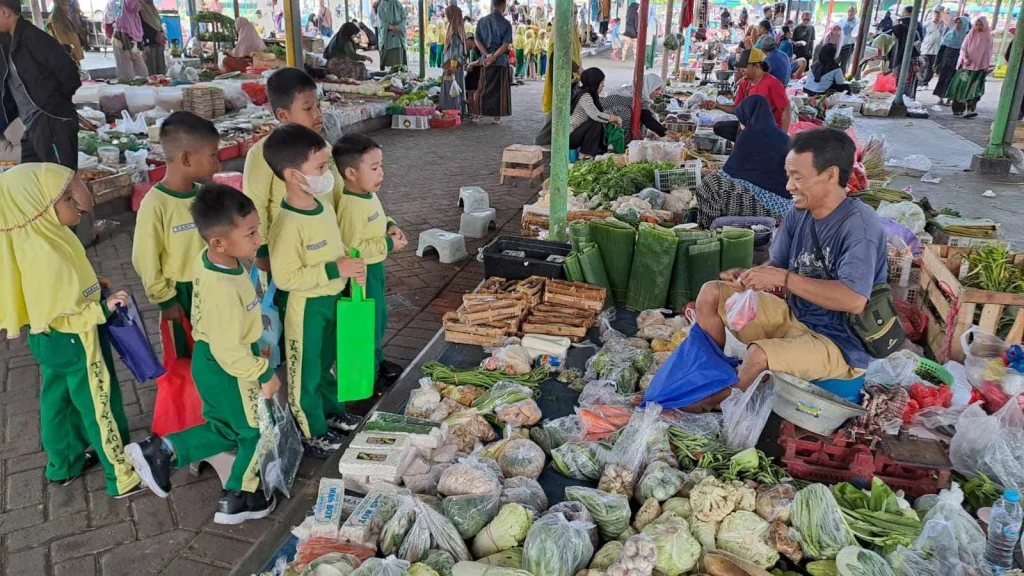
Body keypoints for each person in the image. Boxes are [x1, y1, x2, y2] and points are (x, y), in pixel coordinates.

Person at [690, 128, 886, 412]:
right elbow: (777, 266)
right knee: (711, 293)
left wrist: (784, 279)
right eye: (789, 175)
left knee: (757, 355)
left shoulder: (859, 226)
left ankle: (712, 405)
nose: (789, 186)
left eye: (798, 177)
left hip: (839, 344)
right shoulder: (799, 213)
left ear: (830, 175)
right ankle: (712, 376)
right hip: (796, 317)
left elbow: (854, 300)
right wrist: (751, 276)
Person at [126, 184, 281, 523]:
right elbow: (231, 351)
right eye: (251, 233)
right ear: (219, 243)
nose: (258, 239)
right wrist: (265, 374)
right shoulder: (224, 289)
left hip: (212, 360)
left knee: (225, 428)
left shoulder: (211, 259)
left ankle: (163, 450)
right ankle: (238, 495)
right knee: (255, 431)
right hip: (230, 366)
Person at [0, 164, 142, 497]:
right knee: (98, 402)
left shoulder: (38, 238)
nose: (76, 203)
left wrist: (95, 287)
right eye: (65, 198)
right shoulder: (47, 254)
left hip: (48, 339)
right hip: (77, 338)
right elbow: (68, 314)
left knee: (58, 400)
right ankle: (120, 474)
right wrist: (103, 308)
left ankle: (63, 464)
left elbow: (56, 295)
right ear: (36, 208)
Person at [261, 124, 365, 457]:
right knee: (304, 371)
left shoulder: (321, 204)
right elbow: (287, 277)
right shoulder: (287, 225)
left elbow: (331, 248)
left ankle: (330, 410)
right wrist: (336, 269)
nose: (328, 173)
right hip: (305, 309)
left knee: (324, 363)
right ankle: (311, 430)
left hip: (330, 299)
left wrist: (347, 267)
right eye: (320, 168)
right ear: (293, 175)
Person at [132, 112, 220, 361]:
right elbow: (145, 259)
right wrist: (165, 299)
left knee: (217, 351)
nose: (218, 162)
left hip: (213, 286)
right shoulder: (155, 204)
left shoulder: (206, 195)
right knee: (185, 358)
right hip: (180, 294)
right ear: (186, 158)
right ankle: (188, 400)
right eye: (212, 155)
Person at [244, 68, 344, 275]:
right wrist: (261, 251)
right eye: (307, 108)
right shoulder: (263, 152)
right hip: (287, 253)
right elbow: (255, 204)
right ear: (283, 115)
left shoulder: (325, 148)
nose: (317, 114)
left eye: (318, 106)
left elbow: (338, 193)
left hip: (327, 246)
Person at [334, 134, 408, 388]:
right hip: (361, 275)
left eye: (382, 166)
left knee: (378, 317)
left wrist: (390, 225)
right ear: (351, 173)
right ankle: (368, 372)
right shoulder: (351, 206)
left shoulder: (367, 194)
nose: (382, 173)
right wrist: (388, 244)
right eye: (374, 168)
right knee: (367, 322)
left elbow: (379, 216)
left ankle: (378, 359)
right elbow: (351, 247)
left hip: (374, 269)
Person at [0, 0, 81, 169]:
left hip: (49, 119)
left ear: (4, 12)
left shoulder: (32, 37)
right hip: (31, 125)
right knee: (34, 177)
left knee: (64, 181)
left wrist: (56, 105)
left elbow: (68, 70)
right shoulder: (11, 40)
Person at [695, 95, 792, 229]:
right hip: (786, 206)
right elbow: (721, 128)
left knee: (709, 186)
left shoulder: (749, 135)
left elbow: (726, 174)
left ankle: (708, 229)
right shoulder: (782, 137)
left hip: (768, 204)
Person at [704, 48, 791, 141]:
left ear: (757, 65)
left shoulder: (773, 83)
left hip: (768, 128)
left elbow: (786, 109)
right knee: (719, 127)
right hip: (749, 126)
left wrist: (783, 137)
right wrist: (717, 105)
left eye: (745, 67)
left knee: (744, 136)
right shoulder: (745, 83)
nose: (741, 70)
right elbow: (736, 109)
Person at [474, 0, 513, 123]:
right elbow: (505, 45)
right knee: (499, 90)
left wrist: (487, 56)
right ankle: (497, 117)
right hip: (500, 61)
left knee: (482, 87)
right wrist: (494, 57)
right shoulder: (506, 24)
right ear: (503, 5)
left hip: (485, 60)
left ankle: (477, 114)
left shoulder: (482, 21)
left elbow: (477, 41)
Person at [569, 68, 621, 157]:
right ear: (594, 83)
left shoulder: (590, 94)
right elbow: (596, 115)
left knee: (599, 123)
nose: (603, 86)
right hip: (570, 137)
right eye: (601, 83)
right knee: (596, 123)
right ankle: (585, 155)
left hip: (577, 134)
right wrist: (614, 118)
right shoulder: (585, 96)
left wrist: (610, 119)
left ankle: (591, 153)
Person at [601, 71, 667, 140]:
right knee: (628, 113)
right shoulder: (633, 96)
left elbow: (647, 115)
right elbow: (646, 117)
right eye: (656, 89)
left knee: (650, 116)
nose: (659, 93)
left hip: (615, 116)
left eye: (660, 90)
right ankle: (622, 142)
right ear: (648, 86)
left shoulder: (640, 94)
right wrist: (665, 131)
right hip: (606, 121)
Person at [947, 16, 992, 118]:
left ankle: (970, 110)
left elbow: (988, 53)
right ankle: (958, 109)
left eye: (981, 25)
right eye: (977, 25)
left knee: (974, 90)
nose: (979, 27)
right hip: (966, 67)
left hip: (980, 69)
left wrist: (986, 66)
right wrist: (965, 59)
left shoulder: (988, 37)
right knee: (961, 88)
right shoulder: (970, 36)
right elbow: (963, 49)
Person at [934, 16, 969, 105]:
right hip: (946, 60)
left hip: (958, 61)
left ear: (964, 24)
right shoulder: (949, 34)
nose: (958, 25)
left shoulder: (967, 37)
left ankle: (950, 99)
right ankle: (940, 98)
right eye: (956, 23)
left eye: (960, 23)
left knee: (953, 79)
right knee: (943, 78)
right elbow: (942, 49)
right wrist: (937, 62)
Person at [440, 1, 467, 111]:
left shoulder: (454, 30)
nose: (445, 17)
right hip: (455, 64)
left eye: (447, 15)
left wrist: (452, 66)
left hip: (452, 65)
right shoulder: (457, 28)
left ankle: (451, 110)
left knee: (452, 88)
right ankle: (457, 109)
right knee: (455, 87)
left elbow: (454, 50)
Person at [113, 0, 149, 80]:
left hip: (132, 45)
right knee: (127, 73)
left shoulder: (135, 16)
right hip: (122, 44)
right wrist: (130, 52)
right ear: (131, 4)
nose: (140, 6)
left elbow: (139, 34)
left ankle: (140, 88)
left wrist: (143, 50)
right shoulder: (124, 17)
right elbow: (124, 35)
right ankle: (127, 89)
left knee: (143, 72)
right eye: (138, 3)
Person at [919, 6, 948, 87]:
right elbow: (922, 35)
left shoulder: (945, 26)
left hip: (936, 50)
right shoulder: (927, 23)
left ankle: (924, 83)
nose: (937, 15)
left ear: (942, 14)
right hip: (925, 48)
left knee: (931, 68)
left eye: (939, 13)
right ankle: (919, 82)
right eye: (935, 13)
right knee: (923, 65)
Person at [890, 21, 920, 97]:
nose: (892, 35)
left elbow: (914, 56)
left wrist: (914, 67)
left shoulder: (907, 46)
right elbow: (890, 56)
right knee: (899, 86)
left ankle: (903, 100)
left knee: (905, 87)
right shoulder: (897, 44)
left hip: (907, 71)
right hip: (899, 70)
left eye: (893, 33)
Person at [377, 0, 407, 69]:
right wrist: (389, 27)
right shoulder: (382, 6)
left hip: (398, 39)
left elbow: (404, 18)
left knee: (398, 66)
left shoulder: (398, 4)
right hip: (387, 39)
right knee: (388, 66)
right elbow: (381, 21)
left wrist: (398, 27)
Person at [139, 0, 166, 75]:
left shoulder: (153, 10)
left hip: (158, 44)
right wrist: (145, 44)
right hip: (149, 44)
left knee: (161, 69)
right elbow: (142, 28)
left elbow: (159, 25)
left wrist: (161, 36)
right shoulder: (141, 11)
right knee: (151, 70)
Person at [839, 5, 858, 72]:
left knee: (844, 65)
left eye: (852, 11)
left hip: (849, 46)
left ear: (856, 12)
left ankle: (842, 80)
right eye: (849, 11)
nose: (850, 13)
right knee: (835, 62)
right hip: (839, 45)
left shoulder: (857, 22)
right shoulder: (842, 20)